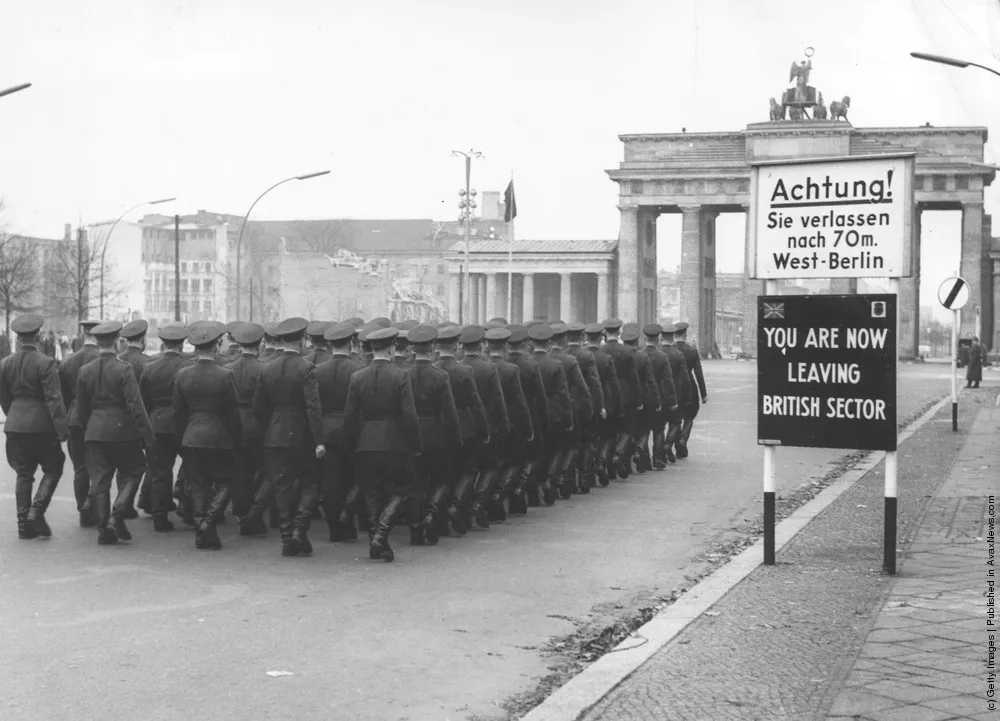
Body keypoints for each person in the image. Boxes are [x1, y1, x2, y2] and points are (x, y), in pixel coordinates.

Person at [343, 326, 423, 562]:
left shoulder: (358, 377)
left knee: (372, 493)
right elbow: (409, 414)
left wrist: (352, 444)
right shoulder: (400, 375)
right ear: (390, 348)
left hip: (366, 441)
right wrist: (415, 444)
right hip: (395, 442)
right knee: (401, 489)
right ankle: (380, 534)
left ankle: (377, 539)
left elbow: (350, 416)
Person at [75, 320, 155, 545]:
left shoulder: (85, 370)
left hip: (94, 430)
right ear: (117, 342)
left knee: (100, 481)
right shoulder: (124, 369)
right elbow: (135, 405)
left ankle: (104, 529)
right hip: (123, 431)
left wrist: (86, 432)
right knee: (135, 470)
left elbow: (81, 409)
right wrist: (147, 437)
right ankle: (117, 513)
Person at [253, 317, 326, 558]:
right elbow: (313, 407)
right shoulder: (307, 368)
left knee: (281, 485)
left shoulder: (267, 368)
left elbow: (259, 408)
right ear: (303, 339)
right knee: (309, 482)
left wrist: (270, 428)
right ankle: (298, 530)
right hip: (301, 434)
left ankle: (286, 537)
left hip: (275, 434)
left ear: (281, 340)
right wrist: (319, 440)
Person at [172, 322, 244, 550]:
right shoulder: (225, 374)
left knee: (198, 484)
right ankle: (208, 522)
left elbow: (178, 412)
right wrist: (237, 440)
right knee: (229, 479)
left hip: (191, 436)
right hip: (218, 437)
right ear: (215, 346)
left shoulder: (183, 374)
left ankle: (203, 526)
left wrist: (182, 439)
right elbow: (233, 412)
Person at [0, 314, 69, 539]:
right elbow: (54, 399)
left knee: (23, 473)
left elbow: (4, 397)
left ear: (18, 338)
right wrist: (62, 429)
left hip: (16, 424)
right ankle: (36, 510)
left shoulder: (5, 363)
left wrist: (14, 416)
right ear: (38, 337)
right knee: (54, 467)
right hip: (42, 426)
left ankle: (23, 525)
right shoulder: (46, 363)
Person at [406, 324, 461, 544]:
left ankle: (416, 530)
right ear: (431, 349)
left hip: (412, 434)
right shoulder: (440, 376)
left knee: (415, 483)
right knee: (441, 479)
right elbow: (449, 412)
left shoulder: (404, 374)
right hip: (436, 434)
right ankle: (431, 514)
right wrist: (454, 439)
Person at [311, 322, 365, 542]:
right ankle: (347, 514)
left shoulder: (317, 371)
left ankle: (335, 525)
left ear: (330, 345)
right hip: (353, 431)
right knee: (356, 478)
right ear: (351, 342)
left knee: (331, 481)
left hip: (326, 431)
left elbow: (314, 405)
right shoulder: (359, 369)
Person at [433, 324, 488, 535]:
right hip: (465, 428)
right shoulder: (464, 371)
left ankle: (440, 517)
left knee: (443, 474)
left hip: (438, 429)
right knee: (467, 471)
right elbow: (475, 404)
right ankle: (456, 507)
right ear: (456, 345)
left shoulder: (433, 368)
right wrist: (483, 430)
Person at [139, 323, 192, 531]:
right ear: (182, 343)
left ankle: (160, 516)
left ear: (163, 343)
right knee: (191, 468)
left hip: (157, 422)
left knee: (160, 471)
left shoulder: (150, 366)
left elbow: (144, 400)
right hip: (184, 422)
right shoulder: (189, 365)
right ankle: (188, 510)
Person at [459, 324, 509, 529]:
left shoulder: (458, 366)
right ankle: (478, 504)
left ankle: (463, 505)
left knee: (467, 468)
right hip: (489, 424)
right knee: (490, 467)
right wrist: (504, 426)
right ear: (481, 345)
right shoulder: (489, 368)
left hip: (464, 425)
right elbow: (498, 400)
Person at [485, 326, 532, 520]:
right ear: (505, 346)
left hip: (489, 421)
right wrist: (527, 427)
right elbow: (520, 401)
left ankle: (489, 498)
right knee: (514, 462)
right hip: (511, 421)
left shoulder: (483, 366)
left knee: (493, 463)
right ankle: (499, 495)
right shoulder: (511, 369)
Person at [58, 319, 101, 526]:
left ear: (83, 334)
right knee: (100, 467)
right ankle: (92, 504)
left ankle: (82, 508)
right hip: (97, 417)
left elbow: (63, 396)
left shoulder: (68, 361)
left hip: (75, 418)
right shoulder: (104, 359)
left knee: (80, 467)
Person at [227, 323, 269, 532]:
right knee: (261, 470)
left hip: (235, 424)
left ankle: (240, 512)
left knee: (239, 471)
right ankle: (255, 513)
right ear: (259, 345)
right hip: (257, 426)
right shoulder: (264, 369)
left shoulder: (228, 369)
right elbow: (265, 402)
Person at [505, 324, 550, 511]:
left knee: (511, 457)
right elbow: (540, 396)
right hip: (530, 414)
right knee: (531, 456)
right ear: (524, 343)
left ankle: (511, 493)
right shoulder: (531, 365)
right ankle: (524, 489)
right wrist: (544, 420)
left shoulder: (500, 364)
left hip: (505, 415)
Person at [118, 319, 152, 518]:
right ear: (143, 338)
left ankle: (126, 503)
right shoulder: (148, 362)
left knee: (123, 465)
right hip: (142, 419)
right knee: (140, 465)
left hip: (121, 420)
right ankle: (131, 502)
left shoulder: (118, 359)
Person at [602, 318, 641, 479]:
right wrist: (638, 400)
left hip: (606, 396)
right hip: (626, 396)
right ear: (618, 332)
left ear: (605, 333)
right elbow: (634, 378)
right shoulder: (626, 351)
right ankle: (618, 455)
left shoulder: (600, 351)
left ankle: (607, 463)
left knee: (609, 432)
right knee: (627, 429)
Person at [673, 321, 708, 459]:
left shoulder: (669, 350)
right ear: (685, 335)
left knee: (675, 419)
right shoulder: (692, 351)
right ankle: (683, 439)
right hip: (690, 387)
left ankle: (677, 445)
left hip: (674, 388)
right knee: (689, 416)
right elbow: (699, 374)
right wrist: (703, 394)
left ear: (674, 335)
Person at [659, 324, 691, 464]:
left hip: (659, 396)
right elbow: (685, 378)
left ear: (661, 337)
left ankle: (658, 453)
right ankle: (668, 444)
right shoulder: (678, 354)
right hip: (676, 396)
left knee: (659, 426)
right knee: (676, 422)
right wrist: (687, 397)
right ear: (673, 337)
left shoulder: (658, 352)